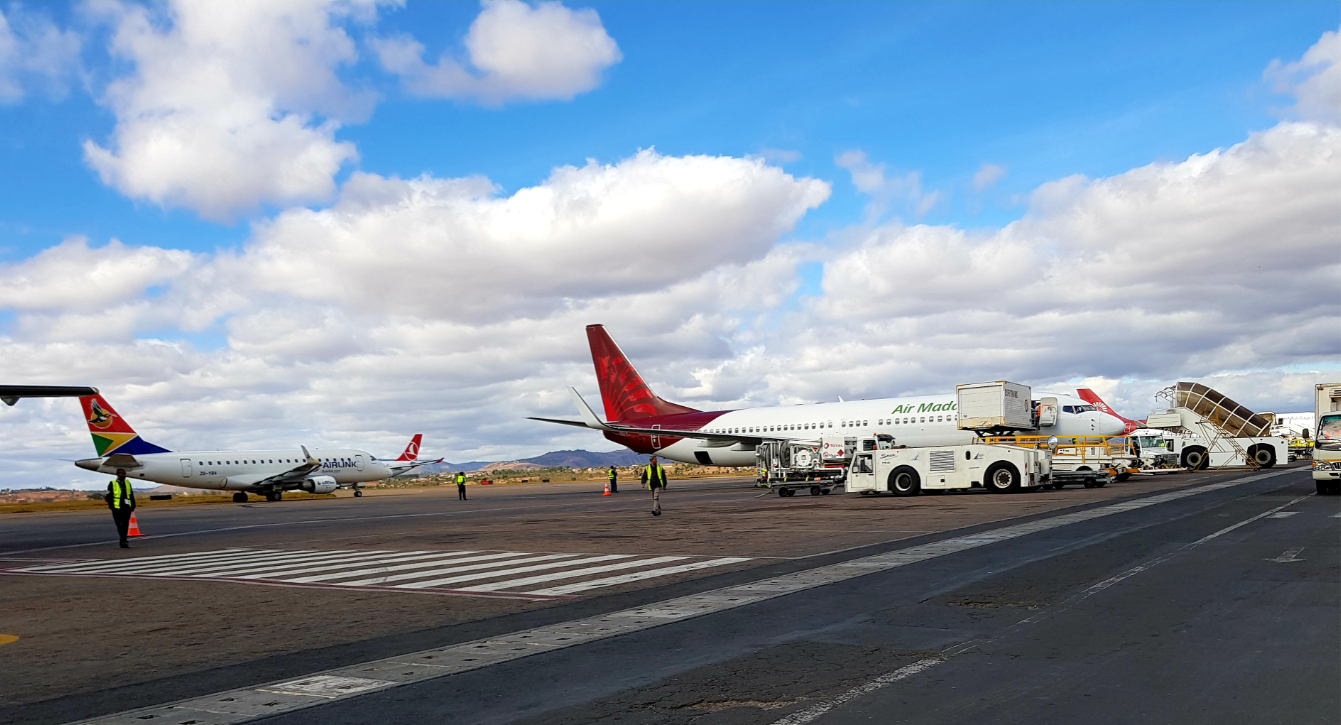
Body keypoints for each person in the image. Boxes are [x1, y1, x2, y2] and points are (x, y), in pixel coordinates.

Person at [106, 468, 136, 548]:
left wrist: (133, 505)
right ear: (118, 474)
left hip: (126, 507)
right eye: (122, 474)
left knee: (125, 524)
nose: (124, 475)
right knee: (120, 524)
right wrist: (111, 506)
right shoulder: (112, 483)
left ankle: (124, 539)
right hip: (117, 507)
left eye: (125, 473)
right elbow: (109, 496)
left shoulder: (127, 482)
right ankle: (123, 540)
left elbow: (131, 494)